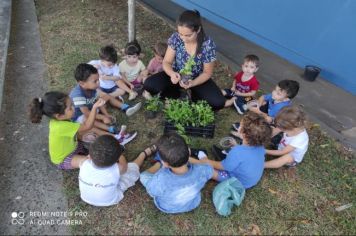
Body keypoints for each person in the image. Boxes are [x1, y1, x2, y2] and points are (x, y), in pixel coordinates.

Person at [143, 10, 225, 110]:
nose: (183, 38)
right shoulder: (176, 38)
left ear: (198, 30)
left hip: (197, 78)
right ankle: (177, 95)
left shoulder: (207, 44)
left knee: (218, 103)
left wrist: (192, 83)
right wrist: (172, 74)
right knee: (149, 84)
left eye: (188, 35)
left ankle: (192, 94)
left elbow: (207, 73)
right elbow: (167, 62)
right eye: (181, 34)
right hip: (177, 75)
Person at [190, 112, 271, 189]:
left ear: (243, 134)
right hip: (251, 180)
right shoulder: (261, 147)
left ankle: (195, 161)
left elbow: (223, 167)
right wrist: (236, 146)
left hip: (239, 182)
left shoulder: (238, 151)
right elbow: (248, 154)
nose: (238, 127)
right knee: (234, 159)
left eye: (240, 126)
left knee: (210, 171)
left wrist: (207, 161)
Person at [29, 91, 107, 169]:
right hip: (63, 158)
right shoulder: (61, 127)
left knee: (89, 139)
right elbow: (87, 126)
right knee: (89, 163)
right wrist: (94, 107)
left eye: (72, 105)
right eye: (70, 108)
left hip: (73, 146)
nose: (74, 108)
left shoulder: (57, 120)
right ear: (59, 116)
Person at [140, 133, 213, 214]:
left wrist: (162, 166)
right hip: (192, 203)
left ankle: (158, 164)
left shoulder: (161, 178)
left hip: (168, 206)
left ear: (165, 164)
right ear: (189, 152)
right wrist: (202, 159)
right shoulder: (203, 170)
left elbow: (152, 191)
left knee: (143, 176)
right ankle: (173, 159)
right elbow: (209, 169)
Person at [70, 63, 141, 135]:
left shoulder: (92, 87)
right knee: (87, 119)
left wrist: (106, 115)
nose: (98, 83)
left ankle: (126, 107)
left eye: (98, 79)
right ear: (82, 83)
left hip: (91, 108)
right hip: (80, 117)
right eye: (95, 81)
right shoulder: (77, 95)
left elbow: (98, 101)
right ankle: (111, 129)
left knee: (106, 96)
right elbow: (87, 113)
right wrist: (103, 117)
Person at [79, 135, 149, 206]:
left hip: (86, 197)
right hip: (109, 200)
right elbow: (124, 168)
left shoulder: (83, 162)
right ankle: (142, 155)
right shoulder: (117, 168)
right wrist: (121, 156)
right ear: (116, 160)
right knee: (131, 170)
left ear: (90, 155)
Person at [231, 79, 299, 139]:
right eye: (275, 89)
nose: (273, 93)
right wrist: (259, 105)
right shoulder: (275, 97)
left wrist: (258, 111)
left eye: (278, 93)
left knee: (262, 127)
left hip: (275, 122)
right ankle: (245, 126)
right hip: (269, 113)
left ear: (286, 99)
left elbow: (269, 118)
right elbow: (263, 97)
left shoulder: (281, 107)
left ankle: (246, 135)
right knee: (259, 106)